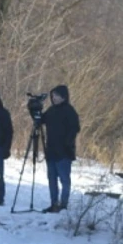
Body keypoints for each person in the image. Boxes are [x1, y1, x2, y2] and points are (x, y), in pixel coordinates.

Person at [42, 85, 80, 213]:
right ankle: (54, 203)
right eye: (52, 96)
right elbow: (40, 120)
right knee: (52, 179)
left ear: (63, 96)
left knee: (64, 179)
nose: (54, 98)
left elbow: (75, 128)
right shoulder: (51, 110)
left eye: (56, 95)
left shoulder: (69, 111)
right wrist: (33, 108)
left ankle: (63, 205)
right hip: (51, 150)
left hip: (64, 152)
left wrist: (67, 143)